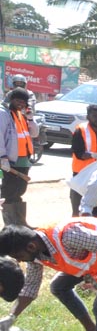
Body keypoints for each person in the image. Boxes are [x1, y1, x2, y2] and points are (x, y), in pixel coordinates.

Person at [69, 105, 97, 218]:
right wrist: (96, 155)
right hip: (81, 171)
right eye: (94, 116)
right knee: (77, 200)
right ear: (88, 116)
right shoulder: (80, 130)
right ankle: (75, 219)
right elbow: (79, 153)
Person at [1, 88, 34, 227]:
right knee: (10, 193)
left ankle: (20, 223)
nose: (20, 104)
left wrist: (31, 118)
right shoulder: (3, 113)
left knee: (20, 191)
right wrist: (2, 157)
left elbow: (34, 132)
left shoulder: (22, 114)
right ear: (11, 99)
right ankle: (11, 226)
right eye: (18, 100)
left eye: (23, 102)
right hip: (11, 160)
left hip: (23, 160)